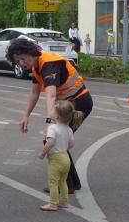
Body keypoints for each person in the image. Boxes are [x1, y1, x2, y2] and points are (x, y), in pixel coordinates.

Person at [6, 36, 92, 192]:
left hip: (79, 102)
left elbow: (51, 95)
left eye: (23, 58)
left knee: (55, 139)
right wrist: (26, 115)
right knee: (58, 140)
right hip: (68, 104)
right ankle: (73, 183)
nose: (22, 63)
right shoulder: (37, 66)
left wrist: (49, 123)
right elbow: (34, 92)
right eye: (18, 61)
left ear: (30, 52)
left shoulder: (48, 64)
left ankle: (67, 185)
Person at [38, 100, 77, 211]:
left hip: (56, 159)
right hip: (65, 157)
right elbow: (72, 144)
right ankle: (64, 202)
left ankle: (53, 204)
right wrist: (63, 147)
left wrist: (42, 153)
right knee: (63, 181)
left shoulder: (53, 128)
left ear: (56, 115)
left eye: (53, 110)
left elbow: (50, 143)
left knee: (53, 182)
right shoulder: (69, 129)